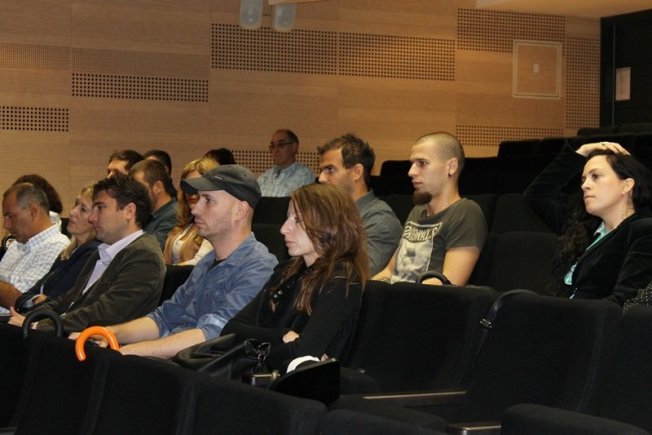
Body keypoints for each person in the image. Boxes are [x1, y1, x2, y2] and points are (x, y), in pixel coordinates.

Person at [87, 165, 277, 358]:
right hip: (175, 363)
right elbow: (163, 318)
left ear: (239, 211)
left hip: (198, 369)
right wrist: (109, 333)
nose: (195, 208)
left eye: (208, 200)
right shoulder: (207, 262)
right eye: (198, 199)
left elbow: (214, 335)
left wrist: (127, 352)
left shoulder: (259, 268)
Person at [222, 183, 368, 371]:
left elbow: (302, 354)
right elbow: (231, 329)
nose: (284, 228)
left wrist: (254, 348)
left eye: (297, 220)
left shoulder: (342, 281)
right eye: (287, 218)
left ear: (328, 224)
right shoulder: (286, 272)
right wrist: (282, 336)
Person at [9, 174, 165, 333]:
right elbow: (68, 299)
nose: (92, 217)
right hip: (65, 335)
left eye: (100, 208)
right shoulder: (102, 251)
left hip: (92, 343)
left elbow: (105, 313)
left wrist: (37, 326)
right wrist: (28, 318)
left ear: (129, 211)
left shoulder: (144, 256)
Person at [524, 141, 652, 305]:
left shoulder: (644, 231)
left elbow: (625, 302)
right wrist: (581, 152)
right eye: (583, 179)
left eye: (595, 176)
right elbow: (536, 196)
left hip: (591, 319)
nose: (585, 186)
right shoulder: (583, 227)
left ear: (626, 185)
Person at [373, 132, 487, 286]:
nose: (411, 172)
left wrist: (396, 294)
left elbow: (451, 282)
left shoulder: (466, 212)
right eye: (412, 164)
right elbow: (389, 271)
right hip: (397, 294)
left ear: (451, 167)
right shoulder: (418, 211)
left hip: (422, 299)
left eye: (422, 163)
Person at [318, 133, 402, 275]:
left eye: (330, 170)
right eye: (322, 170)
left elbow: (360, 275)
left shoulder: (379, 220)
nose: (321, 178)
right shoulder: (326, 213)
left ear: (356, 172)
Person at [15, 184, 100, 312]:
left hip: (44, 321)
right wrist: (35, 299)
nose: (72, 212)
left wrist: (36, 301)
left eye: (83, 209)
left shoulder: (92, 252)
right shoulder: (67, 253)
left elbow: (56, 303)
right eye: (75, 204)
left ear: (96, 218)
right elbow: (23, 297)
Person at [0, 183, 70, 313]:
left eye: (10, 216)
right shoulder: (16, 244)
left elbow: (22, 300)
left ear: (33, 212)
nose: (6, 225)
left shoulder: (57, 247)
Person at [163, 158, 217, 265]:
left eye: (197, 185)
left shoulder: (216, 224)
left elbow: (199, 264)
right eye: (188, 186)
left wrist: (166, 271)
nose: (192, 193)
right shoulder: (185, 222)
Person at [130, 159, 178, 250]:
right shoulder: (149, 213)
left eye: (140, 188)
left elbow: (150, 251)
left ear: (157, 187)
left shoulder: (174, 214)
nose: (135, 194)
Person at [257, 129, 315, 197]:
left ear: (294, 147)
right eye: (273, 146)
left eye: (281, 144)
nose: (276, 150)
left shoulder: (304, 175)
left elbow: (302, 202)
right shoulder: (266, 176)